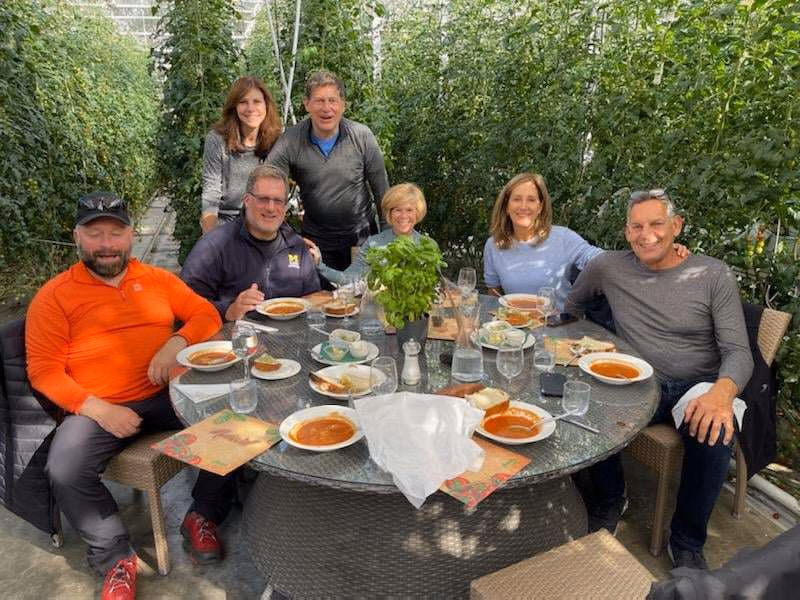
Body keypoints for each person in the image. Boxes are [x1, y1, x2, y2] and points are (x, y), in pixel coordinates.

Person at [26, 192, 229, 600]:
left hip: (165, 393)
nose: (106, 244)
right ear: (77, 238)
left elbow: (206, 314)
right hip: (97, 407)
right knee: (64, 468)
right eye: (95, 233)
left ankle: (202, 514)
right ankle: (115, 555)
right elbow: (44, 371)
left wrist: (176, 342)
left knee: (232, 420)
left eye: (115, 233)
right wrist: (100, 409)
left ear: (130, 236)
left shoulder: (156, 279)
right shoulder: (55, 295)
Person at [564, 189, 754, 570]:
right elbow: (573, 305)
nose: (645, 234)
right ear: (626, 231)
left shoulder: (712, 273)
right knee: (582, 405)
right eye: (637, 226)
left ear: (676, 226)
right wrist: (590, 344)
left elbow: (738, 350)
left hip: (696, 384)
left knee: (715, 431)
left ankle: (686, 542)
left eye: (656, 224)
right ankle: (610, 498)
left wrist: (722, 392)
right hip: (635, 379)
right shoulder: (608, 267)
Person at [266, 69, 389, 274]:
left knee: (361, 300)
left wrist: (388, 241)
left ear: (343, 105)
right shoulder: (290, 141)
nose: (327, 108)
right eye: (319, 101)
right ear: (307, 104)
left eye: (332, 100)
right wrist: (282, 234)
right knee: (320, 302)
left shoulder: (362, 137)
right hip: (316, 244)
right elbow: (267, 185)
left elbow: (383, 194)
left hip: (361, 241)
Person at [182, 165, 321, 321]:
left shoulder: (297, 247)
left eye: (278, 201)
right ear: (247, 201)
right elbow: (183, 304)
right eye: (263, 199)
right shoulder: (215, 246)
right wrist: (228, 310)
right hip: (235, 341)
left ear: (285, 206)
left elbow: (312, 298)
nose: (271, 208)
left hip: (292, 340)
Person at [483, 172, 603, 310]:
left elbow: (599, 259)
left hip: (558, 327)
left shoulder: (564, 238)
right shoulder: (493, 245)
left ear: (540, 207)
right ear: (506, 206)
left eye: (531, 200)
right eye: (516, 199)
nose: (523, 206)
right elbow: (493, 294)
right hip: (515, 327)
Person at [201, 76, 282, 233]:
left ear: (266, 105)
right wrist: (210, 237)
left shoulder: (276, 140)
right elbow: (211, 191)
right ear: (234, 107)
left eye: (257, 101)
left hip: (262, 220)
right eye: (243, 102)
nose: (250, 108)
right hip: (225, 223)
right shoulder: (217, 140)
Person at [313, 183, 430, 285]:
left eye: (409, 210)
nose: (403, 216)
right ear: (389, 213)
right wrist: (320, 266)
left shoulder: (428, 246)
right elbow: (348, 279)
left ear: (418, 213)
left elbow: (436, 285)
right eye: (397, 210)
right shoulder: (374, 243)